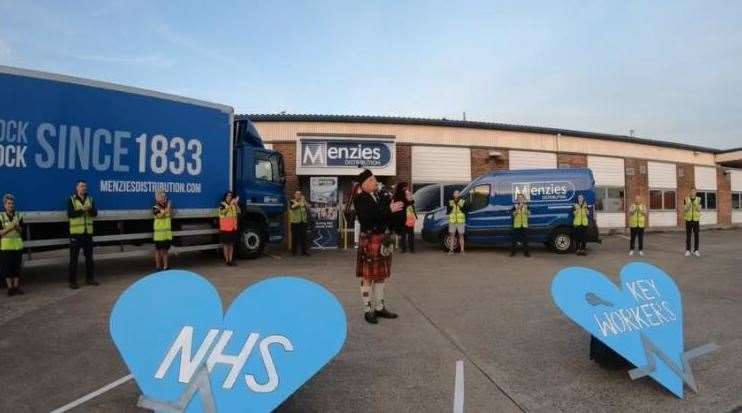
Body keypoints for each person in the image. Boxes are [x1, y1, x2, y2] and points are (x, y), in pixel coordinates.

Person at [353, 169, 401, 324]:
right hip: (370, 238)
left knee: (381, 276)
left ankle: (379, 307)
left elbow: (387, 216)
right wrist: (388, 209)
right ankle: (368, 310)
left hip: (382, 239)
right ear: (365, 183)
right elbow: (368, 219)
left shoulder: (379, 196)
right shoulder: (360, 198)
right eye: (373, 180)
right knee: (367, 277)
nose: (376, 182)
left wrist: (398, 206)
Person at [67, 180, 98, 289]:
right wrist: (82, 210)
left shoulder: (90, 199)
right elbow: (70, 214)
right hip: (76, 234)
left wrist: (89, 210)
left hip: (87, 233)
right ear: (77, 188)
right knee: (73, 259)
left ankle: (90, 279)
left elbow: (95, 213)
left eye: (85, 186)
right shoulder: (71, 199)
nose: (83, 188)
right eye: (81, 186)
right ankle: (72, 282)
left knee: (89, 258)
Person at [1, 194, 24, 296]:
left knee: (17, 268)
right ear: (4, 205)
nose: (10, 205)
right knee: (7, 268)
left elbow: (21, 231)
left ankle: (16, 287)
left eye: (12, 203)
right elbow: (0, 233)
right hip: (6, 247)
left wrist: (17, 227)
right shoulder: (1, 216)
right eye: (8, 203)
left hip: (17, 246)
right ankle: (10, 288)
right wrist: (12, 226)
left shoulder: (18, 216)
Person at [219, 191, 241, 266]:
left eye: (231, 196)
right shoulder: (222, 204)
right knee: (226, 245)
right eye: (228, 196)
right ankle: (227, 260)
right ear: (225, 197)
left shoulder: (233, 205)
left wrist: (236, 204)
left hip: (232, 228)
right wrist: (231, 204)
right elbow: (222, 213)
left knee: (231, 245)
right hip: (225, 228)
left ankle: (231, 260)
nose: (229, 197)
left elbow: (239, 211)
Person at [153, 190, 173, 270]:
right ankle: (158, 267)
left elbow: (170, 215)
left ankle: (165, 266)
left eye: (165, 196)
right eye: (161, 196)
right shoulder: (155, 207)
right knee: (158, 251)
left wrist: (168, 208)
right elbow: (160, 215)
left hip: (166, 235)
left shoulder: (166, 208)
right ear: (157, 198)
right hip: (159, 236)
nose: (164, 198)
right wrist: (168, 208)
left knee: (165, 251)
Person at [391, 182, 413, 253]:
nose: (407, 187)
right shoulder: (407, 193)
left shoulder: (396, 195)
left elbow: (393, 205)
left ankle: (403, 249)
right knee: (410, 232)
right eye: (406, 186)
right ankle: (411, 249)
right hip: (409, 214)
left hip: (400, 216)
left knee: (403, 233)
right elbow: (412, 202)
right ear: (404, 187)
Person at [289, 190, 310, 256]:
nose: (298, 195)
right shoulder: (292, 201)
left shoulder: (303, 202)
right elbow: (293, 207)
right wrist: (301, 202)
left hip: (303, 222)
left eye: (299, 194)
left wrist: (305, 202)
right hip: (295, 222)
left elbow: (308, 208)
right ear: (295, 195)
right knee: (295, 237)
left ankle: (304, 251)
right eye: (297, 194)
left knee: (303, 237)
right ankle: (293, 252)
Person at [446, 190, 467, 254]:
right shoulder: (450, 202)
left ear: (459, 195)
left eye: (457, 193)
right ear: (453, 195)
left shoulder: (462, 201)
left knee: (461, 236)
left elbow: (465, 211)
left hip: (460, 222)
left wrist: (460, 205)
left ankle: (462, 250)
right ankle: (451, 250)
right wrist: (451, 207)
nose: (456, 194)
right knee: (452, 236)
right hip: (452, 222)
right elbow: (448, 212)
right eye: (455, 193)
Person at [683, 188, 701, 257]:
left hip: (696, 220)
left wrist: (695, 204)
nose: (692, 192)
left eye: (694, 191)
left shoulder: (699, 199)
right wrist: (689, 205)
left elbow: (699, 210)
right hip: (688, 220)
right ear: (690, 192)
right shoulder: (686, 199)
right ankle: (688, 250)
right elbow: (685, 210)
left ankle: (696, 250)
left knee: (696, 236)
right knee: (688, 236)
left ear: (696, 192)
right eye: (691, 191)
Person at [401, 188, 416, 253]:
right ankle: (410, 249)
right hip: (407, 218)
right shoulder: (404, 199)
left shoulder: (408, 199)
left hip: (408, 218)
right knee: (407, 235)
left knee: (406, 235)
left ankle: (406, 249)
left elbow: (412, 202)